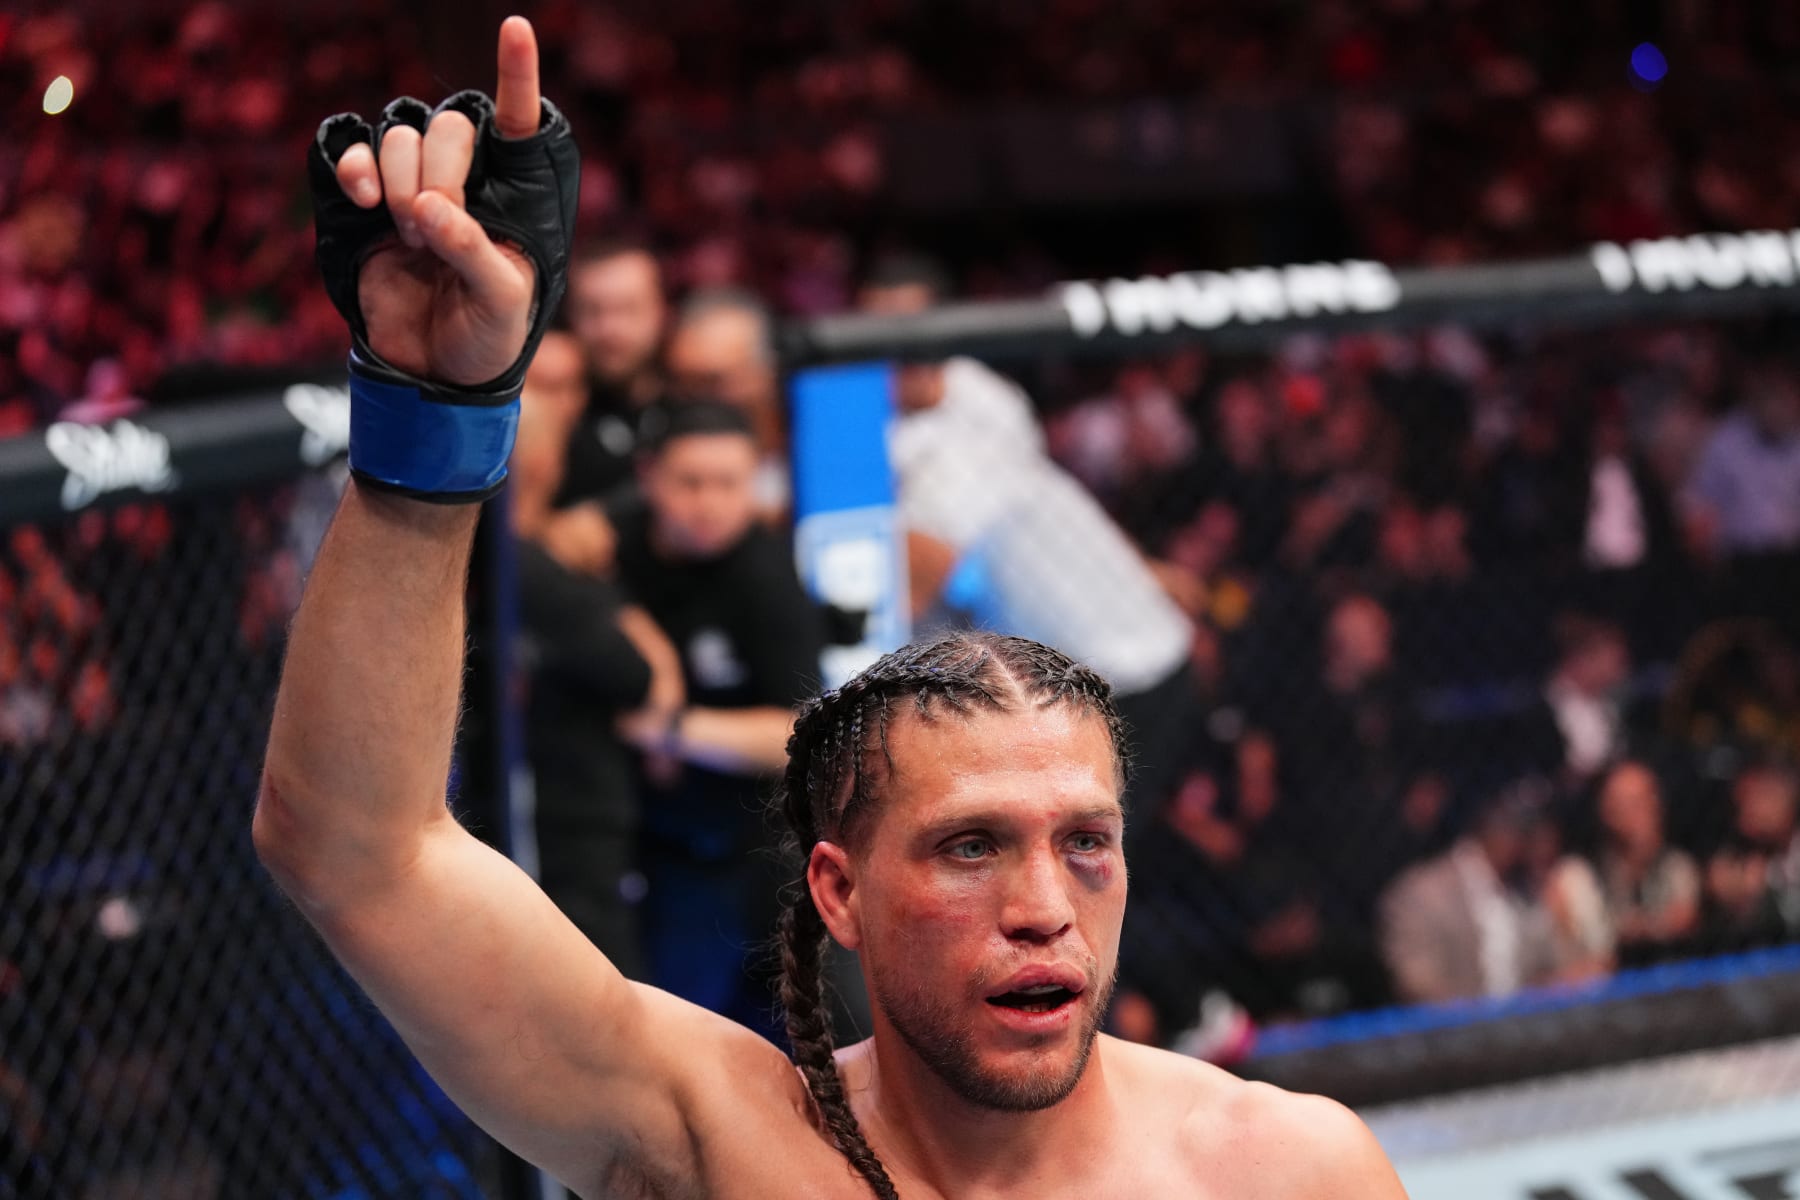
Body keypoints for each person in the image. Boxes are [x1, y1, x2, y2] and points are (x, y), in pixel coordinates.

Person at [256, 21, 1405, 1197]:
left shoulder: (1286, 1169)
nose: (1044, 909)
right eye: (971, 847)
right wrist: (434, 416)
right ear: (839, 892)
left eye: (1086, 844)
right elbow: (361, 853)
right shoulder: (731, 1150)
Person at [857, 256, 1201, 830]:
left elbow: (905, 596)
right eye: (882, 330)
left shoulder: (974, 407)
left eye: (914, 328)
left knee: (1082, 869)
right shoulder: (922, 410)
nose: (903, 348)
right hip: (1074, 672)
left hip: (1117, 672)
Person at [609, 400, 826, 1022]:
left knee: (806, 1023)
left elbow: (799, 732)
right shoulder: (612, 544)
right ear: (649, 476)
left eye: (729, 483)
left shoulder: (766, 576)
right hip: (649, 843)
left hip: (759, 850)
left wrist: (671, 730)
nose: (708, 502)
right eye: (690, 482)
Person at [511, 331, 685, 976]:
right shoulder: (533, 571)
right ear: (541, 464)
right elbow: (640, 679)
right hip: (567, 830)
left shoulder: (527, 560)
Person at [663, 288, 791, 521]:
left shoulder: (818, 443)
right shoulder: (660, 439)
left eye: (713, 381)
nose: (696, 399)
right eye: (683, 383)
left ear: (766, 373)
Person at [1589, 760, 1700, 965]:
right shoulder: (1589, 875)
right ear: (1606, 812)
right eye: (1626, 804)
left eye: (1644, 800)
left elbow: (1684, 919)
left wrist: (1642, 926)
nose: (1640, 812)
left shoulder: (1676, 865)